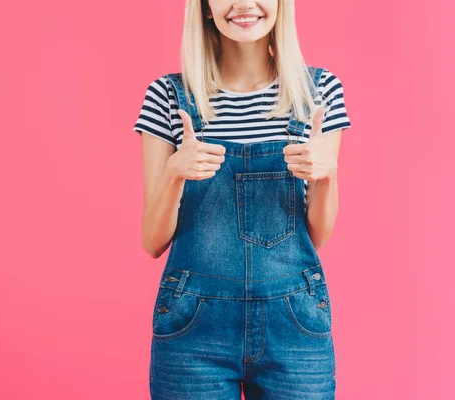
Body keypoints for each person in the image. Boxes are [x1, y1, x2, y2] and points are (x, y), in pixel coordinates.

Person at [133, 1, 352, 399]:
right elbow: (152, 241)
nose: (244, 4)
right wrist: (175, 172)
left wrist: (327, 176)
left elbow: (317, 235)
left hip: (295, 322)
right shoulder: (167, 95)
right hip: (193, 325)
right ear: (203, 7)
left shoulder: (318, 92)